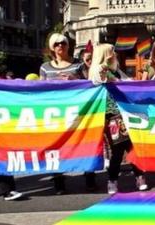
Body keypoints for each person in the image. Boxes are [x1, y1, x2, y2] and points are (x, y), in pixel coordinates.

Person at [88, 43, 148, 194]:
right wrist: (105, 65)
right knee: (117, 149)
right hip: (111, 115)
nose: (114, 55)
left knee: (131, 147)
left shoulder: (117, 71)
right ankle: (113, 180)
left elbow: (128, 84)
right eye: (112, 52)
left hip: (126, 113)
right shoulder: (97, 70)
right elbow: (99, 78)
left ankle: (139, 176)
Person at [39, 33, 91, 195]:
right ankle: (59, 181)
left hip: (77, 112)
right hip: (56, 114)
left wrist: (73, 80)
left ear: (68, 46)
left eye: (63, 43)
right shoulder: (45, 67)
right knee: (56, 146)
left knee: (83, 143)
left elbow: (89, 84)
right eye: (56, 44)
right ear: (52, 48)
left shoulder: (78, 64)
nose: (60, 46)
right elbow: (40, 89)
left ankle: (89, 178)